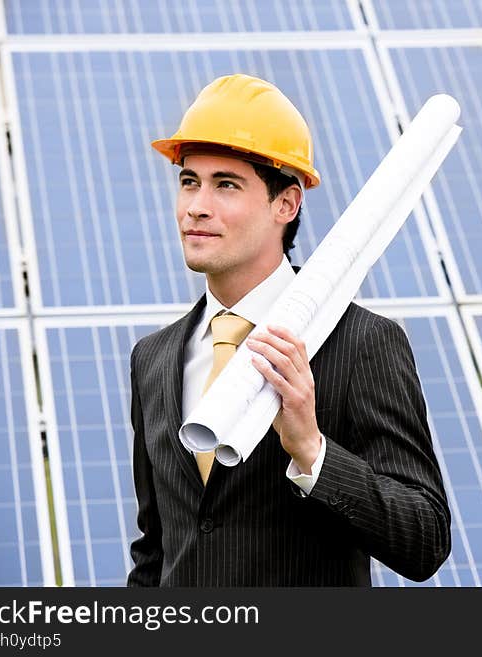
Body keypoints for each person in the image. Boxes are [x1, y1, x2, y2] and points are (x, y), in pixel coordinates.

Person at [126, 74, 451, 586]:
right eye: (189, 181)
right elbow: (155, 551)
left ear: (287, 203)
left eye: (226, 184)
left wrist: (311, 449)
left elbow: (425, 538)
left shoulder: (362, 342)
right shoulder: (154, 358)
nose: (196, 206)